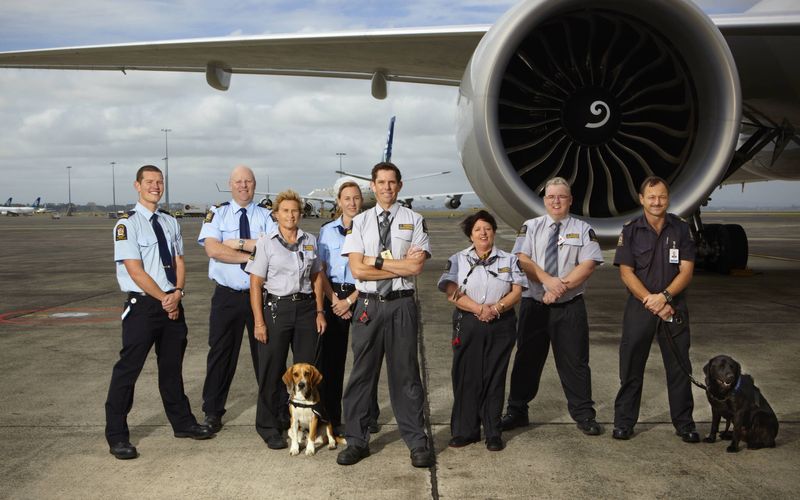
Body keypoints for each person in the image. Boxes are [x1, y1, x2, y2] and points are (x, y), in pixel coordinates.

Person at [105, 165, 214, 460]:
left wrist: (177, 293)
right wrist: (165, 297)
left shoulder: (169, 222)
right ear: (137, 186)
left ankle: (182, 423)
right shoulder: (127, 224)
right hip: (143, 307)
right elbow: (134, 270)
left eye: (159, 182)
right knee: (128, 371)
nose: (155, 186)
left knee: (172, 369)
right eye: (149, 182)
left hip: (172, 303)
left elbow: (179, 261)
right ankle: (117, 435)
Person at [336, 162, 434, 468]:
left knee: (406, 374)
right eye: (381, 182)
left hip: (402, 303)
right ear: (373, 186)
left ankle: (417, 441)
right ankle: (356, 440)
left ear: (400, 186)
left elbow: (416, 267)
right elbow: (356, 269)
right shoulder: (361, 222)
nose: (387, 187)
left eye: (392, 182)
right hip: (367, 305)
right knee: (362, 374)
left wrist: (374, 260)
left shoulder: (414, 220)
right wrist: (396, 264)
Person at [501, 177, 604, 436]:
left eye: (561, 196)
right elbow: (522, 259)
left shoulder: (582, 229)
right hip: (535, 305)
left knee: (576, 362)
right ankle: (517, 410)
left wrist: (561, 288)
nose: (556, 201)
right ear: (545, 200)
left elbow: (588, 264)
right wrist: (548, 282)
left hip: (569, 306)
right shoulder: (531, 227)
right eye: (551, 197)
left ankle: (584, 414)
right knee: (526, 359)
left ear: (570, 200)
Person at [611, 176, 699, 443]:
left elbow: (687, 270)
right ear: (642, 199)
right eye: (651, 197)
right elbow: (626, 272)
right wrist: (651, 299)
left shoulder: (681, 229)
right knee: (631, 367)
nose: (657, 201)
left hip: (673, 306)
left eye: (661, 196)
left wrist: (665, 297)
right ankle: (624, 422)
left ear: (668, 198)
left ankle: (684, 424)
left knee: (680, 367)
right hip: (641, 307)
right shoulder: (630, 230)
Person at [438, 210, 526, 451]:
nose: (483, 233)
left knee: (495, 376)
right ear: (470, 235)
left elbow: (517, 291)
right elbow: (451, 292)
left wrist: (496, 309)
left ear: (494, 232)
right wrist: (478, 309)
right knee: (467, 376)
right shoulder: (458, 259)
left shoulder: (509, 260)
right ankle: (465, 431)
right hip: (469, 322)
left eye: (487, 228)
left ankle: (493, 431)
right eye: (477, 229)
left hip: (501, 322)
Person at [198, 165, 276, 433]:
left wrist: (237, 243)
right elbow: (213, 249)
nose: (244, 186)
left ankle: (273, 411)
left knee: (266, 356)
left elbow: (273, 246)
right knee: (220, 354)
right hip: (227, 297)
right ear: (230, 185)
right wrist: (254, 256)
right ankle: (212, 412)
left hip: (260, 297)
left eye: (249, 181)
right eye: (239, 181)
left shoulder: (268, 214)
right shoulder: (216, 214)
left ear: (255, 185)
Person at [245, 190, 327, 450]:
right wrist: (259, 321)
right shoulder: (266, 243)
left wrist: (319, 311)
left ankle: (303, 423)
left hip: (305, 310)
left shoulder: (310, 240)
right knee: (272, 370)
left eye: (295, 210)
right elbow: (255, 283)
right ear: (276, 214)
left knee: (307, 372)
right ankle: (269, 426)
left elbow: (316, 278)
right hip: (276, 310)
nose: (291, 215)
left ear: (300, 213)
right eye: (285, 211)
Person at [317, 181, 380, 436]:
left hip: (362, 294)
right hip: (334, 295)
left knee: (366, 360)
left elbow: (374, 270)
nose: (352, 203)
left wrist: (351, 300)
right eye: (347, 198)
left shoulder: (371, 229)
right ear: (339, 201)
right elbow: (319, 270)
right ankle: (332, 416)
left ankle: (368, 415)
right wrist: (334, 300)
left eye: (356, 198)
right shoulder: (326, 231)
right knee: (332, 362)